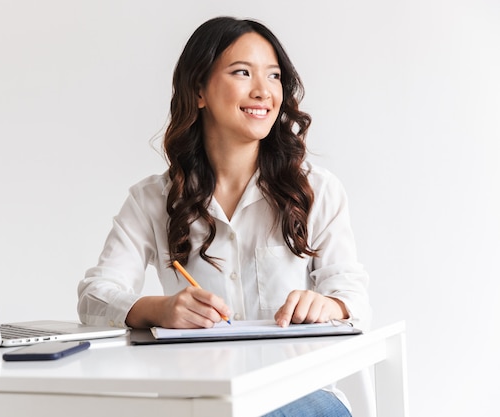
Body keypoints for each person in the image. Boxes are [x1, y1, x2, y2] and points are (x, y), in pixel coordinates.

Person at [78, 16, 370, 417]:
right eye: (242, 72)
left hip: (300, 395)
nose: (263, 91)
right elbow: (94, 297)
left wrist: (329, 306)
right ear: (199, 90)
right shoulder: (153, 198)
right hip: (201, 401)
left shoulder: (317, 190)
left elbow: (353, 294)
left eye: (274, 76)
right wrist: (158, 310)